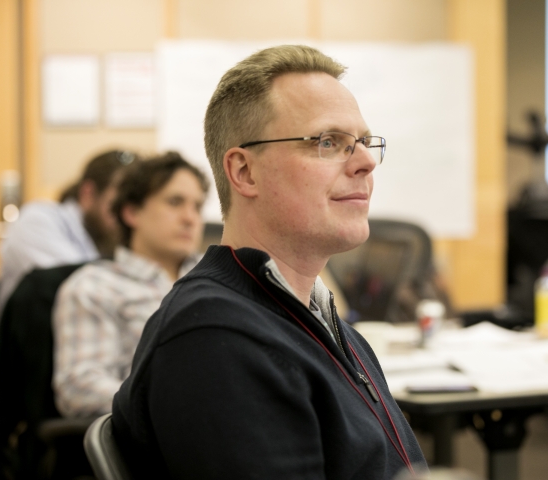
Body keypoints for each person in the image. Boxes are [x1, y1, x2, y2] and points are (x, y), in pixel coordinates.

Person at [112, 45, 427, 479]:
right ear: (244, 172)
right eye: (329, 142)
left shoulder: (318, 319)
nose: (366, 162)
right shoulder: (216, 336)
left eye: (364, 142)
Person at [52, 152, 208, 418]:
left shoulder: (217, 277)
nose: (190, 218)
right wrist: (174, 404)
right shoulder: (95, 286)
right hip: (163, 438)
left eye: (197, 207)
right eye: (175, 202)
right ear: (132, 212)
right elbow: (78, 388)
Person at [0, 150, 137, 374]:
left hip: (86, 364)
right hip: (26, 376)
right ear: (88, 193)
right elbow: (86, 289)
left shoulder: (114, 239)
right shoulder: (38, 221)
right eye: (116, 205)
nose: (125, 217)